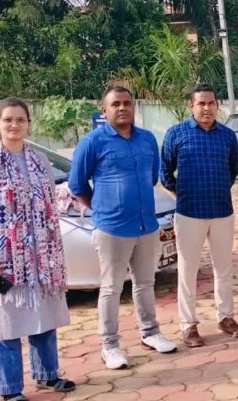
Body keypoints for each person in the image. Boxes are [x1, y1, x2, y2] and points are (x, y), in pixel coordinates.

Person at [0, 98, 75, 401]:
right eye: (7, 120)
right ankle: (9, 386)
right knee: (5, 322)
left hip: (40, 256)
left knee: (43, 315)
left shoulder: (39, 161)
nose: (14, 125)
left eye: (20, 120)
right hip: (4, 259)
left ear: (29, 124)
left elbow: (49, 207)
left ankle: (47, 373)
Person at [69, 86, 177, 370]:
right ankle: (110, 345)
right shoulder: (93, 142)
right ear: (104, 110)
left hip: (146, 225)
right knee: (112, 287)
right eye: (115, 104)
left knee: (145, 283)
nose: (122, 108)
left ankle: (151, 332)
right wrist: (103, 208)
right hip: (112, 229)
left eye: (127, 103)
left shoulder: (147, 139)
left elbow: (153, 176)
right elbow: (77, 185)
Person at [160, 84, 238, 347]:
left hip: (222, 211)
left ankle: (226, 317)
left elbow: (232, 171)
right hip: (188, 214)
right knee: (188, 270)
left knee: (224, 268)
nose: (206, 108)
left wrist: (216, 190)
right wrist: (183, 195)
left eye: (211, 103)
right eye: (201, 104)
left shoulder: (227, 136)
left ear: (217, 106)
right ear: (191, 106)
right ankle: (188, 325)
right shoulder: (176, 134)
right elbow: (164, 173)